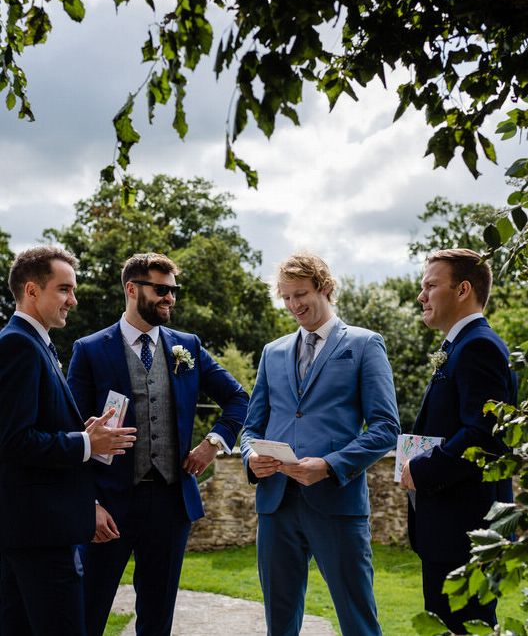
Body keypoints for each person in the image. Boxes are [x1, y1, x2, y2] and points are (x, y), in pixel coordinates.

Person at [67, 252, 248, 636]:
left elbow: (238, 398)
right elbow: (70, 432)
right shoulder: (90, 349)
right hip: (108, 507)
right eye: (161, 290)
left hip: (170, 504)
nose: (170, 298)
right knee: (88, 612)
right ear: (132, 289)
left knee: (158, 618)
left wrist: (213, 443)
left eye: (173, 291)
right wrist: (89, 505)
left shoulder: (188, 346)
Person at [241, 253, 400, 636]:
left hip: (336, 503)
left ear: (325, 288)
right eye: (286, 298)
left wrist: (328, 465)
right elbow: (250, 428)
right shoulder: (272, 351)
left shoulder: (364, 345)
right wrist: (250, 458)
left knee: (357, 620)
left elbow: (385, 427)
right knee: (279, 623)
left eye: (301, 294)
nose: (294, 305)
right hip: (276, 504)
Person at [0, 246, 136, 635]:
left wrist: (83, 432)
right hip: (41, 535)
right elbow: (14, 441)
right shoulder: (18, 346)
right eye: (64, 289)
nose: (73, 300)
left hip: (30, 533)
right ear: (31, 290)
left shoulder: (36, 343)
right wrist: (86, 444)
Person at [401, 248, 516, 633]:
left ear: (463, 289)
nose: (421, 296)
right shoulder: (460, 345)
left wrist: (420, 469)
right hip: (452, 530)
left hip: (465, 533)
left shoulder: (478, 346)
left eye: (431, 286)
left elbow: (482, 437)